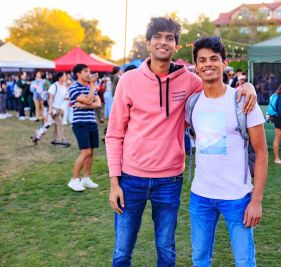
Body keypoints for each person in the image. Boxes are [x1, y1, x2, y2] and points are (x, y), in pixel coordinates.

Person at [105, 17, 257, 267]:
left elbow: (216, 89)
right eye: (157, 37)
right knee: (122, 251)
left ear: (176, 46)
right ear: (148, 43)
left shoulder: (189, 80)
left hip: (169, 180)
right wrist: (114, 182)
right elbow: (114, 135)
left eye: (169, 38)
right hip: (130, 178)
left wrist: (248, 86)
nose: (163, 42)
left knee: (166, 249)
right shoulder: (129, 81)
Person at [186, 36, 268, 267]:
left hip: (237, 197)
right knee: (200, 259)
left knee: (244, 261)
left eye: (214, 58)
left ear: (224, 63)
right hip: (200, 196)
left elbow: (261, 153)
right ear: (195, 66)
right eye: (202, 60)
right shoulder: (192, 103)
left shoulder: (243, 101)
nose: (208, 64)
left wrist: (256, 200)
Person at [67, 64, 101, 192]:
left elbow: (97, 103)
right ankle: (74, 179)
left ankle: (86, 178)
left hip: (92, 122)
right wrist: (90, 93)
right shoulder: (74, 87)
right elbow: (88, 100)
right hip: (80, 123)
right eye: (85, 71)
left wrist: (84, 105)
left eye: (89, 71)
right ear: (78, 74)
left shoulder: (89, 87)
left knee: (91, 152)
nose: (89, 73)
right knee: (85, 152)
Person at [48, 72, 70, 147]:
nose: (66, 77)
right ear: (60, 78)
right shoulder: (54, 86)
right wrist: (50, 108)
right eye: (64, 76)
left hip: (62, 108)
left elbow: (64, 96)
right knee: (60, 123)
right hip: (55, 108)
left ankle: (54, 139)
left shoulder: (64, 86)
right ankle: (62, 140)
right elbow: (50, 98)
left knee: (57, 125)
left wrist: (70, 97)